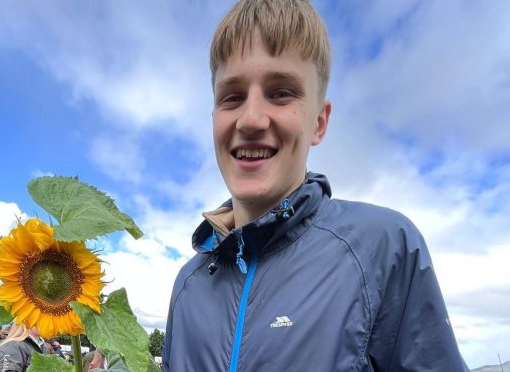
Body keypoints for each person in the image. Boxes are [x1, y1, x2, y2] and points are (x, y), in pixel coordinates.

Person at [162, 0, 469, 371]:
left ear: (320, 122)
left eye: (280, 93)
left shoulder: (384, 249)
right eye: (233, 97)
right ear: (214, 119)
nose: (252, 119)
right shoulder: (187, 286)